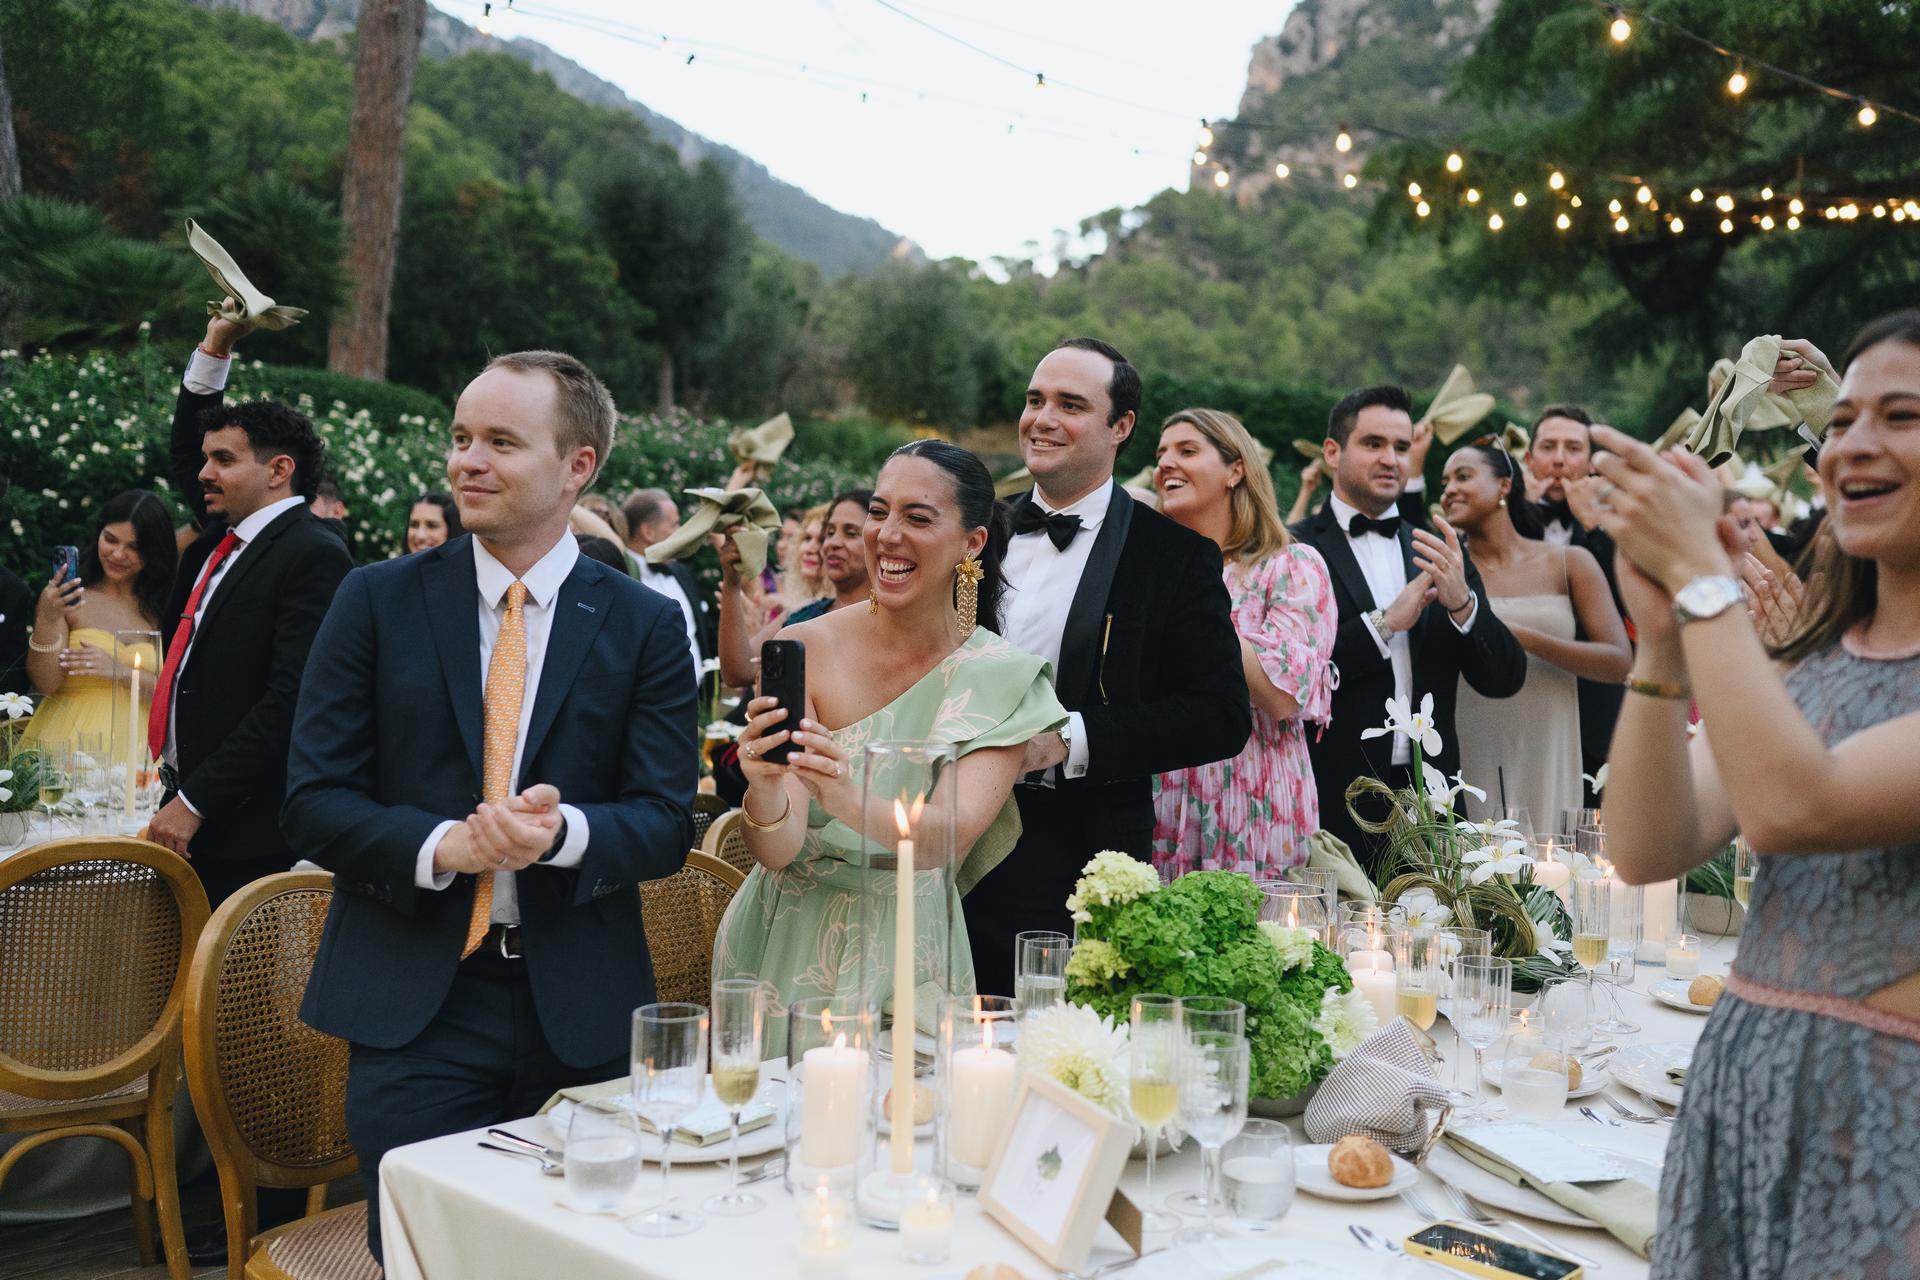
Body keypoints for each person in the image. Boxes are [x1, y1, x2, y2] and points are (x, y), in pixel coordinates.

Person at [288, 349, 697, 1266]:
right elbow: (311, 801)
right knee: (425, 1257)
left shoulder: (642, 624)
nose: (467, 460)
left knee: (578, 1259)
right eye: (462, 437)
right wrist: (446, 845)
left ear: (577, 466)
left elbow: (668, 821)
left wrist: (562, 834)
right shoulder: (374, 599)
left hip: (582, 1015)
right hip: (416, 1010)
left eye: (501, 442)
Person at [1594, 312, 1920, 1280]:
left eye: (1901, 416)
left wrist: (1705, 580)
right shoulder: (1818, 658)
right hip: (1743, 1087)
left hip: (1887, 1114)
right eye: (1845, 417)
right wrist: (1661, 636)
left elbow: (1794, 808)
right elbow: (1650, 844)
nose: (1853, 443)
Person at [714, 441, 1065, 1041]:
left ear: (972, 544)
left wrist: (847, 794)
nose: (887, 535)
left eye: (918, 518)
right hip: (786, 945)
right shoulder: (807, 645)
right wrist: (766, 787)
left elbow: (943, 837)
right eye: (879, 512)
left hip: (912, 946)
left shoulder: (1002, 677)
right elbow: (777, 850)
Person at [963, 338, 1251, 996]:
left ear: (1120, 428)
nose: (1042, 418)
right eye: (1035, 401)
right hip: (957, 844)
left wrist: (1066, 740)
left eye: (1070, 404)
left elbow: (1221, 715)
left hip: (1078, 854)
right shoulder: (979, 535)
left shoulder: (1173, 556)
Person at [146, 305, 353, 908]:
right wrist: (215, 346)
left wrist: (195, 801)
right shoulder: (224, 536)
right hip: (186, 802)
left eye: (225, 460)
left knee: (229, 994)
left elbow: (291, 699)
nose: (204, 473)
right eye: (209, 460)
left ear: (278, 471)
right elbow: (188, 454)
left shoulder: (313, 555)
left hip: (243, 827)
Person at [1289, 385, 1527, 871]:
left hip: (1431, 801)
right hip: (1328, 795)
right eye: (1373, 444)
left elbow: (1505, 678)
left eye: (1401, 447)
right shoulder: (1293, 549)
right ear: (1332, 452)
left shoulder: (1437, 548)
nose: (1391, 459)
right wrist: (1383, 625)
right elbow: (1291, 677)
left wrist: (1463, 602)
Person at [1149, 409, 1337, 879]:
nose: (1166, 464)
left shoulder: (1290, 566)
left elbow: (1281, 696)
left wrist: (1194, 598)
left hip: (1254, 805)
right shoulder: (1149, 574)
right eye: (1161, 454)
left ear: (1236, 470)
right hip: (1162, 806)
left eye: (1187, 451)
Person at [1438, 439, 1630, 823]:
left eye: (1463, 476)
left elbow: (1619, 661)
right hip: (1472, 736)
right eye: (1444, 483)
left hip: (1548, 737)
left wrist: (1514, 634)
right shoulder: (1445, 569)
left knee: (1548, 866)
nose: (1449, 491)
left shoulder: (1569, 563)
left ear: (1505, 484)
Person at [1524, 405, 1628, 802]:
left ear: (1590, 462)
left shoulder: (1620, 521)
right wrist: (1521, 517)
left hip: (1596, 708)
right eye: (1548, 447)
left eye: (1572, 448)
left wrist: (1593, 527)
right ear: (1530, 459)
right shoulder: (1501, 523)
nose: (1559, 460)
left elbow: (1627, 608)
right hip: (1525, 697)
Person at [23, 490, 177, 748]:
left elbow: (178, 694)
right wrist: (48, 618)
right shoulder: (69, 598)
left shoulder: (166, 608)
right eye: (110, 539)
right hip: (70, 739)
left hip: (144, 748)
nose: (117, 554)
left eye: (134, 547)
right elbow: (45, 684)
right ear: (98, 534)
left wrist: (120, 672)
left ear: (154, 551)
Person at [716, 491, 870, 689]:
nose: (833, 543)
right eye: (829, 533)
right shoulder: (802, 615)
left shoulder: (889, 620)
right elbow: (738, 672)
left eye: (850, 533)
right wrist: (731, 582)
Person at [622, 487, 711, 676]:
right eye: (674, 525)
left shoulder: (681, 572)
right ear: (648, 531)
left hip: (697, 697)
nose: (680, 532)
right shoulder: (620, 573)